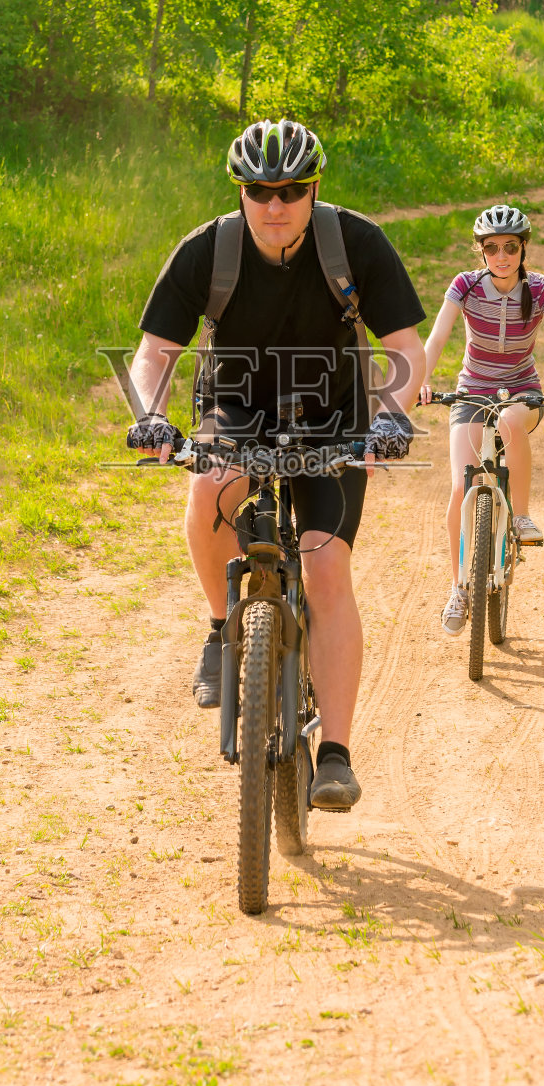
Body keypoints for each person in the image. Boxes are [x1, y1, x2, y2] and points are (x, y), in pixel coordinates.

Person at [125, 118, 426, 809]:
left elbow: (406, 346)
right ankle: (216, 627)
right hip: (234, 407)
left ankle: (336, 756)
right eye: (260, 190)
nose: (274, 204)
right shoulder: (210, 250)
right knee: (210, 488)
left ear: (313, 188)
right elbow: (154, 351)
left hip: (336, 418)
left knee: (324, 567)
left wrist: (391, 417)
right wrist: (148, 413)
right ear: (242, 191)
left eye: (290, 189)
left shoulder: (355, 244)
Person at [419, 203, 544, 636]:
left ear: (523, 248)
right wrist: (424, 379)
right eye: (492, 248)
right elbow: (436, 339)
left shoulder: (542, 288)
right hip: (471, 391)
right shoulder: (465, 287)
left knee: (510, 421)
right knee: (461, 485)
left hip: (523, 391)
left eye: (511, 246)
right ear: (482, 251)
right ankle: (457, 588)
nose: (502, 255)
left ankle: (522, 516)